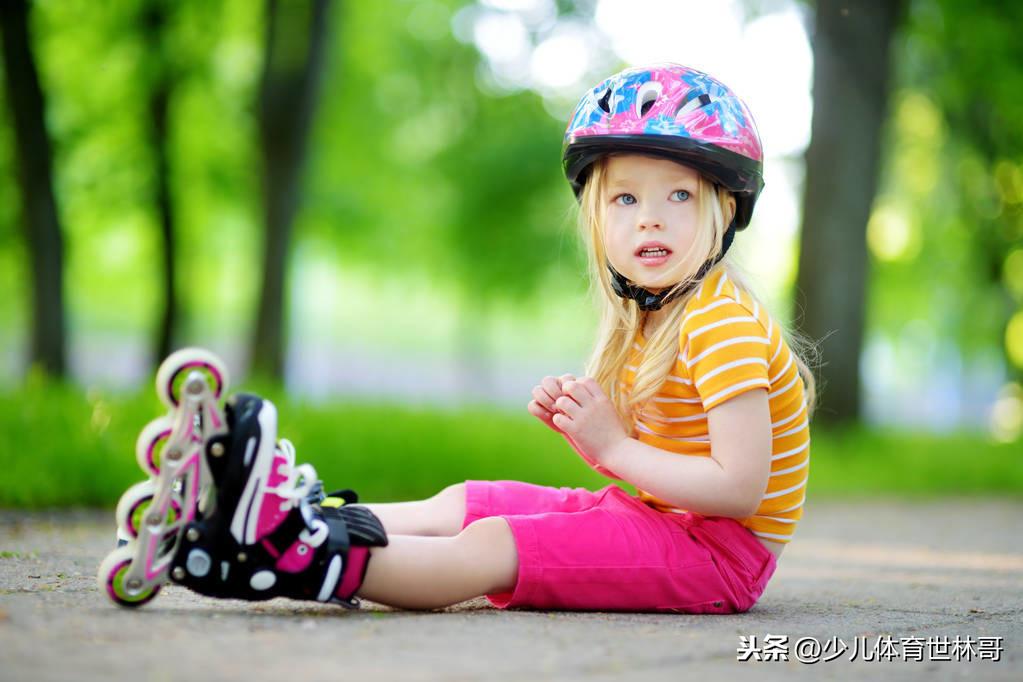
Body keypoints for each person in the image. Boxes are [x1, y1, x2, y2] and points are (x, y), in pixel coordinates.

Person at [170, 63, 817, 614]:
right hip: (663, 521)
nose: (649, 215)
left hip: (716, 557)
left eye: (678, 194)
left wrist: (610, 446)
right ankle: (295, 518)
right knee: (472, 503)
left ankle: (298, 556)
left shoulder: (721, 323)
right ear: (595, 216)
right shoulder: (655, 316)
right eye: (624, 199)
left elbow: (738, 489)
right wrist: (592, 426)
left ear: (723, 210)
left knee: (494, 546)